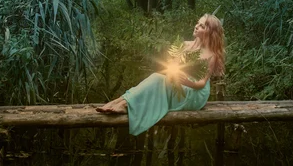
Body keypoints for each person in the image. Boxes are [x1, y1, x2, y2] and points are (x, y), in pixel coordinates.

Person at [96, 14, 226, 136]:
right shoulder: (185, 45)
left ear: (209, 32)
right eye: (198, 23)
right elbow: (174, 66)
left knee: (156, 78)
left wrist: (186, 82)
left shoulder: (211, 55)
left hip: (194, 93)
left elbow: (202, 83)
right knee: (157, 78)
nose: (196, 26)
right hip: (180, 82)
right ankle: (119, 101)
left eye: (202, 26)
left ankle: (124, 104)